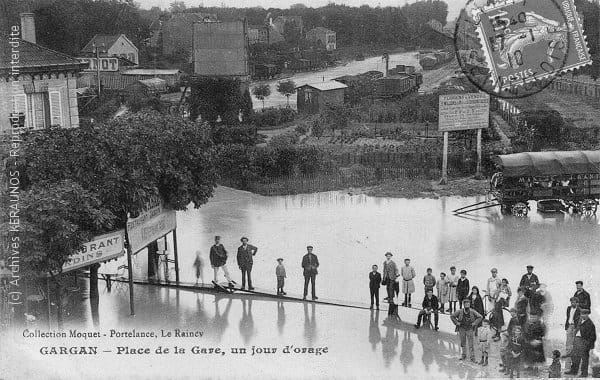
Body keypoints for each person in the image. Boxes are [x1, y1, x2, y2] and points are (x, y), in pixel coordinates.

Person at [567, 309, 596, 377]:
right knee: (575, 357)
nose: (582, 315)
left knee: (584, 358)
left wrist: (587, 344)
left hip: (584, 342)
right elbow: (576, 328)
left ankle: (584, 373)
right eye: (581, 314)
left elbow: (593, 336)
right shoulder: (579, 320)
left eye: (584, 314)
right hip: (577, 340)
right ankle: (573, 371)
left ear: (587, 315)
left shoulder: (590, 324)